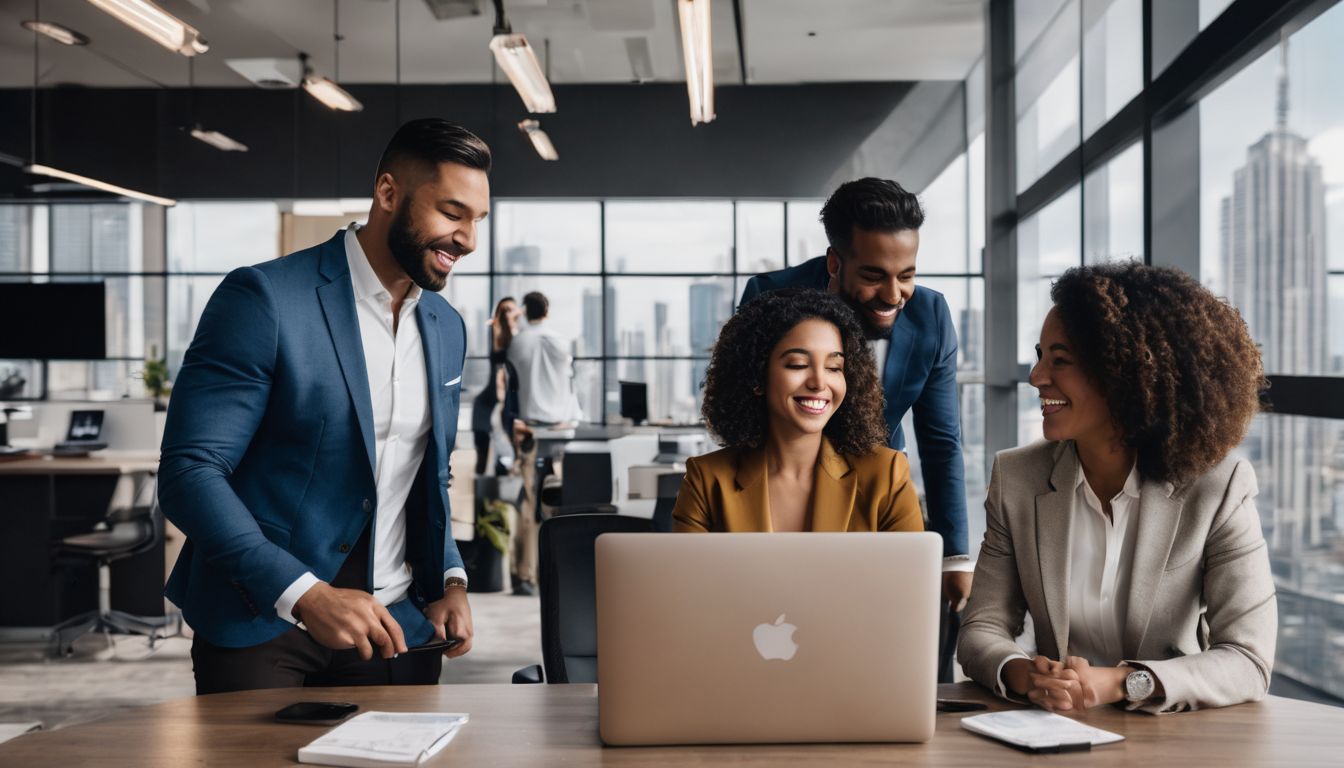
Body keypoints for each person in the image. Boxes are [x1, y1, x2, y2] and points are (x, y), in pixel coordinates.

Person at [159, 118, 490, 694]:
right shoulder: (265, 299)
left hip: (396, 626)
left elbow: (424, 470)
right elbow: (190, 473)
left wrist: (449, 582)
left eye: (477, 220)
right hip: (265, 622)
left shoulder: (446, 327)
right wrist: (304, 593)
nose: (468, 239)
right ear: (388, 194)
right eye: (452, 213)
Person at [957, 262, 1276, 714]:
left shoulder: (1218, 487)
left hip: (1175, 738)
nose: (1036, 376)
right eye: (1040, 355)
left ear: (1122, 374)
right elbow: (981, 627)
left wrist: (1124, 683)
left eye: (1059, 360)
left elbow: (1249, 660)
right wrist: (1022, 673)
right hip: (1052, 729)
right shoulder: (1017, 478)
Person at [740, 179, 971, 612]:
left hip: (879, 498)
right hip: (782, 498)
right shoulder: (769, 298)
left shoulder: (931, 316)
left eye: (907, 276)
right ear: (834, 262)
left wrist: (955, 556)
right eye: (873, 276)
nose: (892, 295)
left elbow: (941, 443)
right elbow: (747, 416)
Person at [673, 289, 923, 534]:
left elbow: (911, 576)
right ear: (757, 376)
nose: (819, 382)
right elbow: (685, 576)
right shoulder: (706, 481)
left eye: (834, 367)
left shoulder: (886, 476)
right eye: (798, 364)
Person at [506, 290, 582, 595]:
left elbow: (513, 383)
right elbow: (569, 381)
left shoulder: (518, 342)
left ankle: (525, 575)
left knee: (527, 505)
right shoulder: (560, 341)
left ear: (526, 311)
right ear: (547, 311)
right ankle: (558, 571)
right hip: (561, 433)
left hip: (530, 433)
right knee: (558, 504)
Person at [472, 296, 523, 477]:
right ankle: (483, 494)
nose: (506, 314)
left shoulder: (522, 337)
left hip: (512, 400)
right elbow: (498, 356)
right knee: (483, 452)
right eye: (503, 311)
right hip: (492, 397)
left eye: (510, 310)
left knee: (512, 453)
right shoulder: (496, 332)